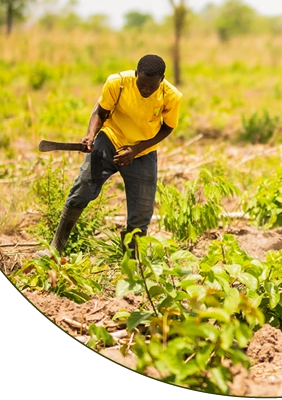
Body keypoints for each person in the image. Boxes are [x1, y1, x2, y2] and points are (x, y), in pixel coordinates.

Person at [37, 54, 182, 257]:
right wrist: (90, 135)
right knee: (82, 188)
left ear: (162, 78)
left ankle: (131, 264)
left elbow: (167, 128)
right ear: (135, 74)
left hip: (142, 152)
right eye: (142, 85)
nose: (146, 90)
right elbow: (100, 111)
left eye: (152, 86)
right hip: (110, 139)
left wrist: (136, 150)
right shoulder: (118, 83)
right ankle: (55, 248)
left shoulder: (171, 96)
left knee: (141, 212)